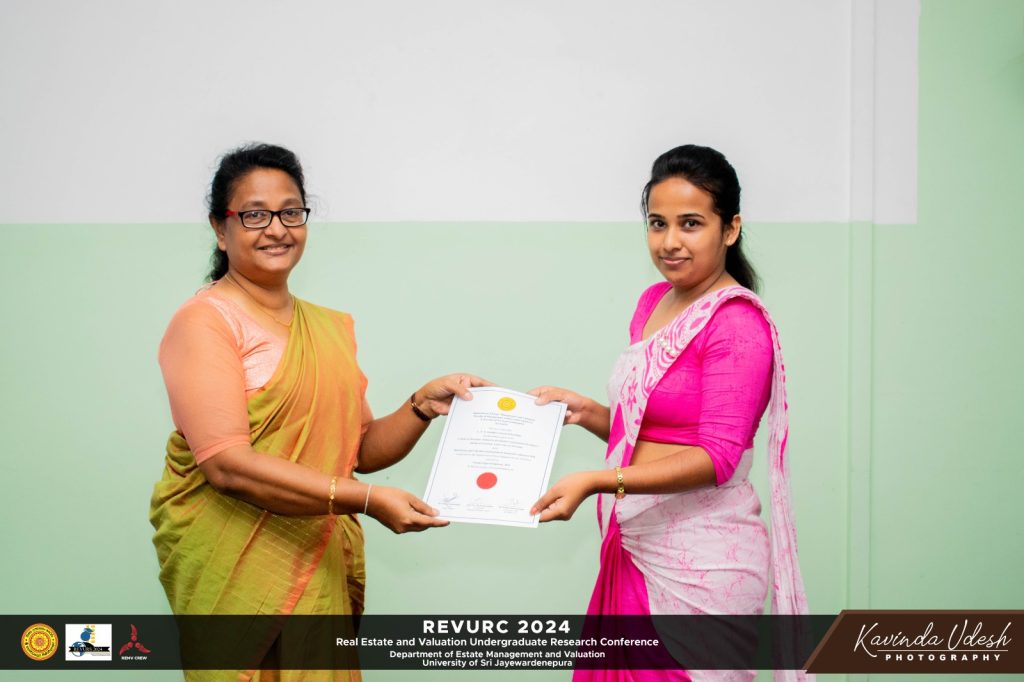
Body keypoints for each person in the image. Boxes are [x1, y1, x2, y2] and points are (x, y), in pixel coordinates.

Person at [149, 143, 486, 678]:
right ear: (220, 228)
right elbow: (227, 465)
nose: (276, 229)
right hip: (235, 566)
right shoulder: (206, 321)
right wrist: (367, 500)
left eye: (291, 212)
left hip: (315, 558)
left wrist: (421, 406)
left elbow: (359, 449)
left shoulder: (327, 327)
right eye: (254, 215)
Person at [529, 145, 811, 681]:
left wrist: (597, 481)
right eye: (658, 224)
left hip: (702, 564)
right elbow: (650, 429)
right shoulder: (654, 302)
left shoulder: (737, 325)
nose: (670, 242)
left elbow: (716, 458)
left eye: (691, 223)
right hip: (636, 545)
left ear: (730, 229)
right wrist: (590, 413)